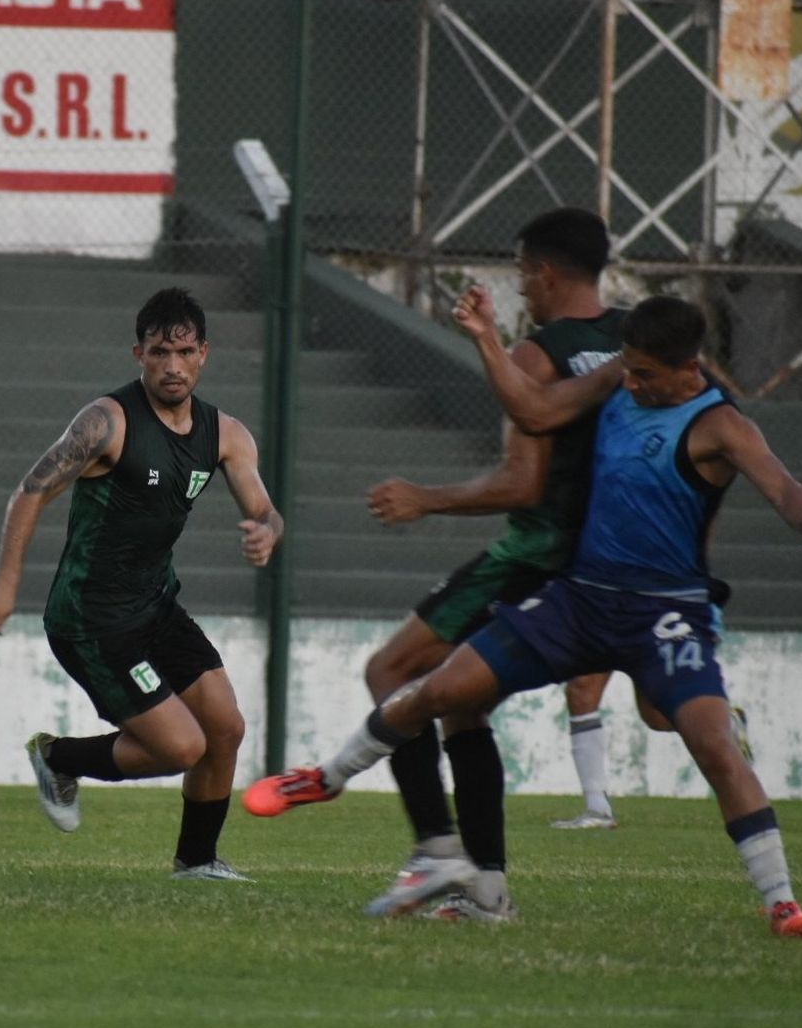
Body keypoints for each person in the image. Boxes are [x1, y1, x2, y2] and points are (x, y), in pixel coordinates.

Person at [253, 293, 802, 936]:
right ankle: (328, 777)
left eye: (647, 373)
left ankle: (783, 903)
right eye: (630, 368)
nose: (634, 383)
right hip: (579, 598)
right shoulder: (618, 378)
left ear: (690, 366)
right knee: (442, 689)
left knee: (713, 743)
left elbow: (782, 483)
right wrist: (485, 337)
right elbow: (535, 409)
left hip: (666, 615)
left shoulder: (723, 425)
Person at [245, 207, 626, 921]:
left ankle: (435, 850)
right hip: (604, 554)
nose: (521, 289)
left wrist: (425, 497)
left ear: (544, 272)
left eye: (521, 275)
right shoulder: (629, 342)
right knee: (464, 703)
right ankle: (489, 889)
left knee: (391, 671)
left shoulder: (539, 356)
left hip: (535, 549)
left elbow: (523, 484)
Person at [0, 287, 283, 880]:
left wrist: (268, 531)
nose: (172, 366)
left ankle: (197, 863)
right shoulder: (107, 423)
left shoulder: (226, 435)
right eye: (160, 351)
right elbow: (31, 489)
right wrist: (6, 582)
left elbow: (267, 509)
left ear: (203, 355)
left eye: (184, 352)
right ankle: (57, 757)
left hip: (156, 606)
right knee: (181, 748)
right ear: (138, 353)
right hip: (92, 617)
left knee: (226, 728)